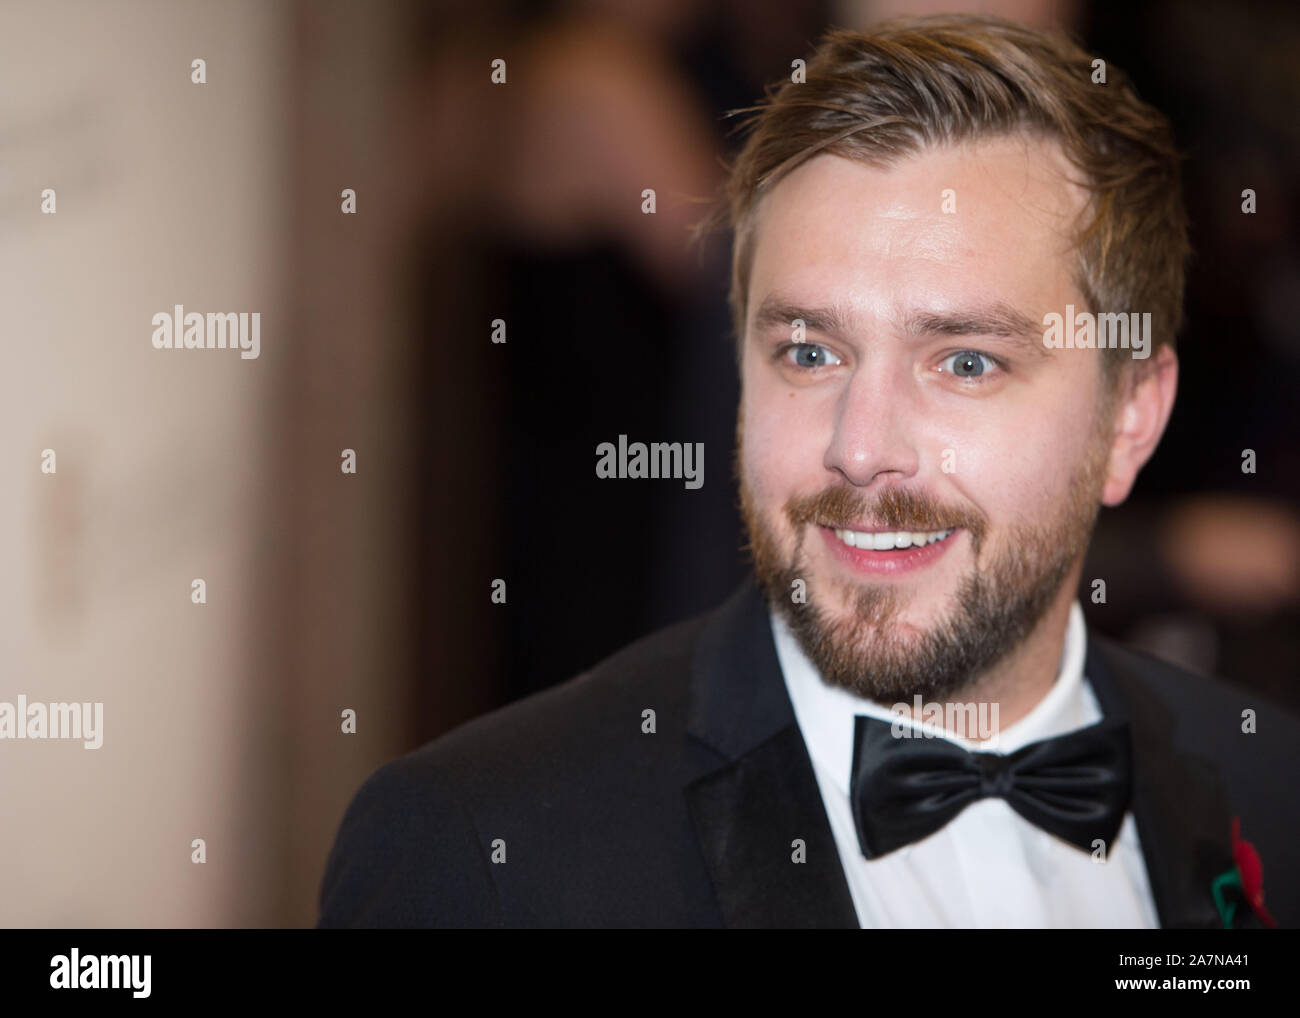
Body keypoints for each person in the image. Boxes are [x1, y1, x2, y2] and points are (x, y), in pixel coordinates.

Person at [317, 13, 1299, 929]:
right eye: (809, 352)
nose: (859, 445)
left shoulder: (1271, 788)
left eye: (963, 361)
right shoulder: (481, 857)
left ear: (1131, 416)